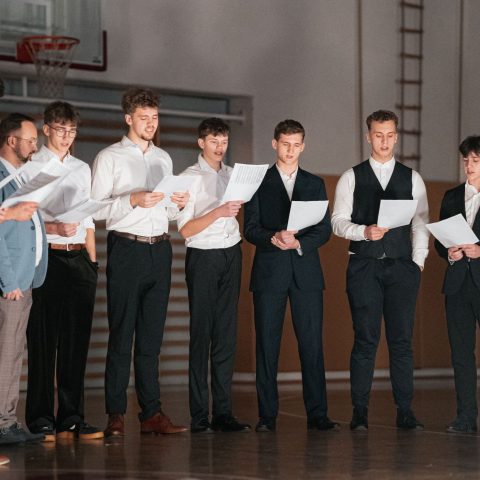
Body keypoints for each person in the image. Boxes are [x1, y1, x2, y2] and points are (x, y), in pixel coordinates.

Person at [91, 87, 188, 437]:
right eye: (144, 118)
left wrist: (177, 204)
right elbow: (94, 209)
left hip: (160, 250)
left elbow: (169, 212)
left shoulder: (164, 158)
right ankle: (115, 414)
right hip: (127, 249)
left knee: (151, 338)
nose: (150, 123)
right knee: (122, 335)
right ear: (128, 118)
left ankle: (151, 413)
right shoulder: (109, 157)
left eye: (155, 117)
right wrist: (131, 199)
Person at [331, 109, 429, 430]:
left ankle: (405, 410)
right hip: (364, 266)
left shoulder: (412, 178)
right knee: (365, 339)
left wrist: (417, 262)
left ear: (396, 137)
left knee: (401, 341)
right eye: (378, 135)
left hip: (402, 268)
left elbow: (421, 223)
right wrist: (363, 231)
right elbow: (337, 221)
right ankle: (359, 411)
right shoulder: (351, 177)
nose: (384, 141)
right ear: (368, 136)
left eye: (389, 135)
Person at [244, 119, 337, 433]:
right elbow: (250, 229)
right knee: (266, 346)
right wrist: (273, 237)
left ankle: (318, 414)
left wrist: (299, 243)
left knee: (312, 345)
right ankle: (267, 416)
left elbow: (324, 229)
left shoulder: (315, 183)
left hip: (306, 272)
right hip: (269, 272)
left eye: (296, 145)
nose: (290, 150)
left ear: (303, 146)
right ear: (275, 144)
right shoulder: (258, 182)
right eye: (285, 144)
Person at [25, 101, 102, 441]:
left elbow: (88, 219)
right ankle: (40, 418)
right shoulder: (31, 165)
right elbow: (23, 217)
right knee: (43, 342)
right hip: (47, 259)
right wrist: (54, 227)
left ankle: (71, 417)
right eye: (60, 130)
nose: (67, 136)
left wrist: (92, 263)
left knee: (75, 343)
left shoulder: (81, 168)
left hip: (79, 260)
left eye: (72, 131)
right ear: (46, 129)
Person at [178, 118, 250, 433]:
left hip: (231, 253)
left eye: (224, 142)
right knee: (202, 335)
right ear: (201, 142)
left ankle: (223, 412)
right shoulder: (188, 178)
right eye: (214, 141)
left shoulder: (233, 175)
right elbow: (185, 229)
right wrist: (218, 211)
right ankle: (199, 415)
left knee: (226, 335)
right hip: (203, 256)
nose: (220, 147)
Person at [0, 113, 48, 445]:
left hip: (24, 278)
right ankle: (3, 424)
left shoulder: (19, 176)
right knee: (6, 354)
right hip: (11, 282)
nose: (34, 146)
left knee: (14, 353)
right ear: (11, 141)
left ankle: (8, 420)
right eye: (30, 140)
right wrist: (8, 281)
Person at [435, 136, 480, 433]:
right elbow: (440, 241)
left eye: (475, 160)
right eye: (466, 160)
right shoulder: (451, 197)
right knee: (461, 355)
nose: (469, 166)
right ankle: (465, 417)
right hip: (457, 284)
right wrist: (449, 253)